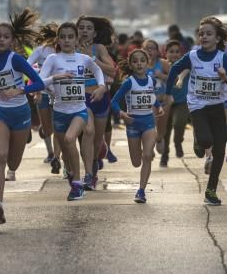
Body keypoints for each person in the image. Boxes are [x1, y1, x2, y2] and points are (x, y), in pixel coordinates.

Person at [0, 9, 45, 224]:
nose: (1, 40)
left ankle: (2, 191)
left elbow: (38, 83)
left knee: (13, 162)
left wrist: (19, 90)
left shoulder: (17, 60)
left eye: (6, 37)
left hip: (20, 113)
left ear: (12, 41)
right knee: (0, 156)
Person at [165, 17, 227, 206]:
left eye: (208, 33)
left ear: (217, 38)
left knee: (219, 150)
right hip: (198, 105)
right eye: (201, 34)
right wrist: (168, 94)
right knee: (206, 140)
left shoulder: (222, 57)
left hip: (217, 105)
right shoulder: (192, 56)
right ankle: (200, 141)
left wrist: (224, 77)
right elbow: (174, 69)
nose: (204, 36)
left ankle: (211, 191)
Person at [37, 22, 106, 201]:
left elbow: (97, 70)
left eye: (70, 37)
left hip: (79, 110)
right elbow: (40, 81)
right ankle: (70, 171)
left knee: (70, 139)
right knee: (67, 153)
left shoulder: (83, 58)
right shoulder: (53, 59)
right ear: (58, 40)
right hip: (59, 112)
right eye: (63, 37)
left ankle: (78, 183)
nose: (67, 40)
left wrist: (101, 86)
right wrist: (53, 81)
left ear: (76, 40)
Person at [111, 49, 163, 203]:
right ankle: (145, 151)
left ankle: (141, 191)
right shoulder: (129, 82)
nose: (139, 63)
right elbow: (113, 101)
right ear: (131, 65)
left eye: (142, 60)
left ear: (147, 63)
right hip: (133, 125)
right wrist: (122, 114)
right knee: (136, 162)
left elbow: (151, 97)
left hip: (148, 123)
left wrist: (159, 106)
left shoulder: (151, 81)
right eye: (135, 61)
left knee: (147, 156)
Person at [76, 15, 117, 190]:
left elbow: (113, 71)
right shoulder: (71, 48)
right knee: (89, 131)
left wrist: (93, 60)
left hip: (100, 98)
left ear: (94, 33)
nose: (84, 31)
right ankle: (88, 174)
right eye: (81, 27)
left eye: (88, 28)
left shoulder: (98, 48)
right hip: (81, 99)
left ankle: (93, 163)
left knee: (97, 139)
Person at [28, 23, 60, 173]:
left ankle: (57, 156)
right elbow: (27, 66)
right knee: (48, 128)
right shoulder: (40, 51)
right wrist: (37, 87)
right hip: (43, 92)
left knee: (58, 127)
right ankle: (50, 152)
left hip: (59, 94)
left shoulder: (63, 51)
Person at [160, 39, 189, 167]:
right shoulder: (161, 66)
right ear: (165, 53)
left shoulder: (185, 65)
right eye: (171, 52)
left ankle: (178, 142)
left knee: (179, 124)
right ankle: (164, 156)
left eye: (177, 52)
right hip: (166, 102)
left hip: (181, 102)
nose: (175, 54)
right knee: (164, 130)